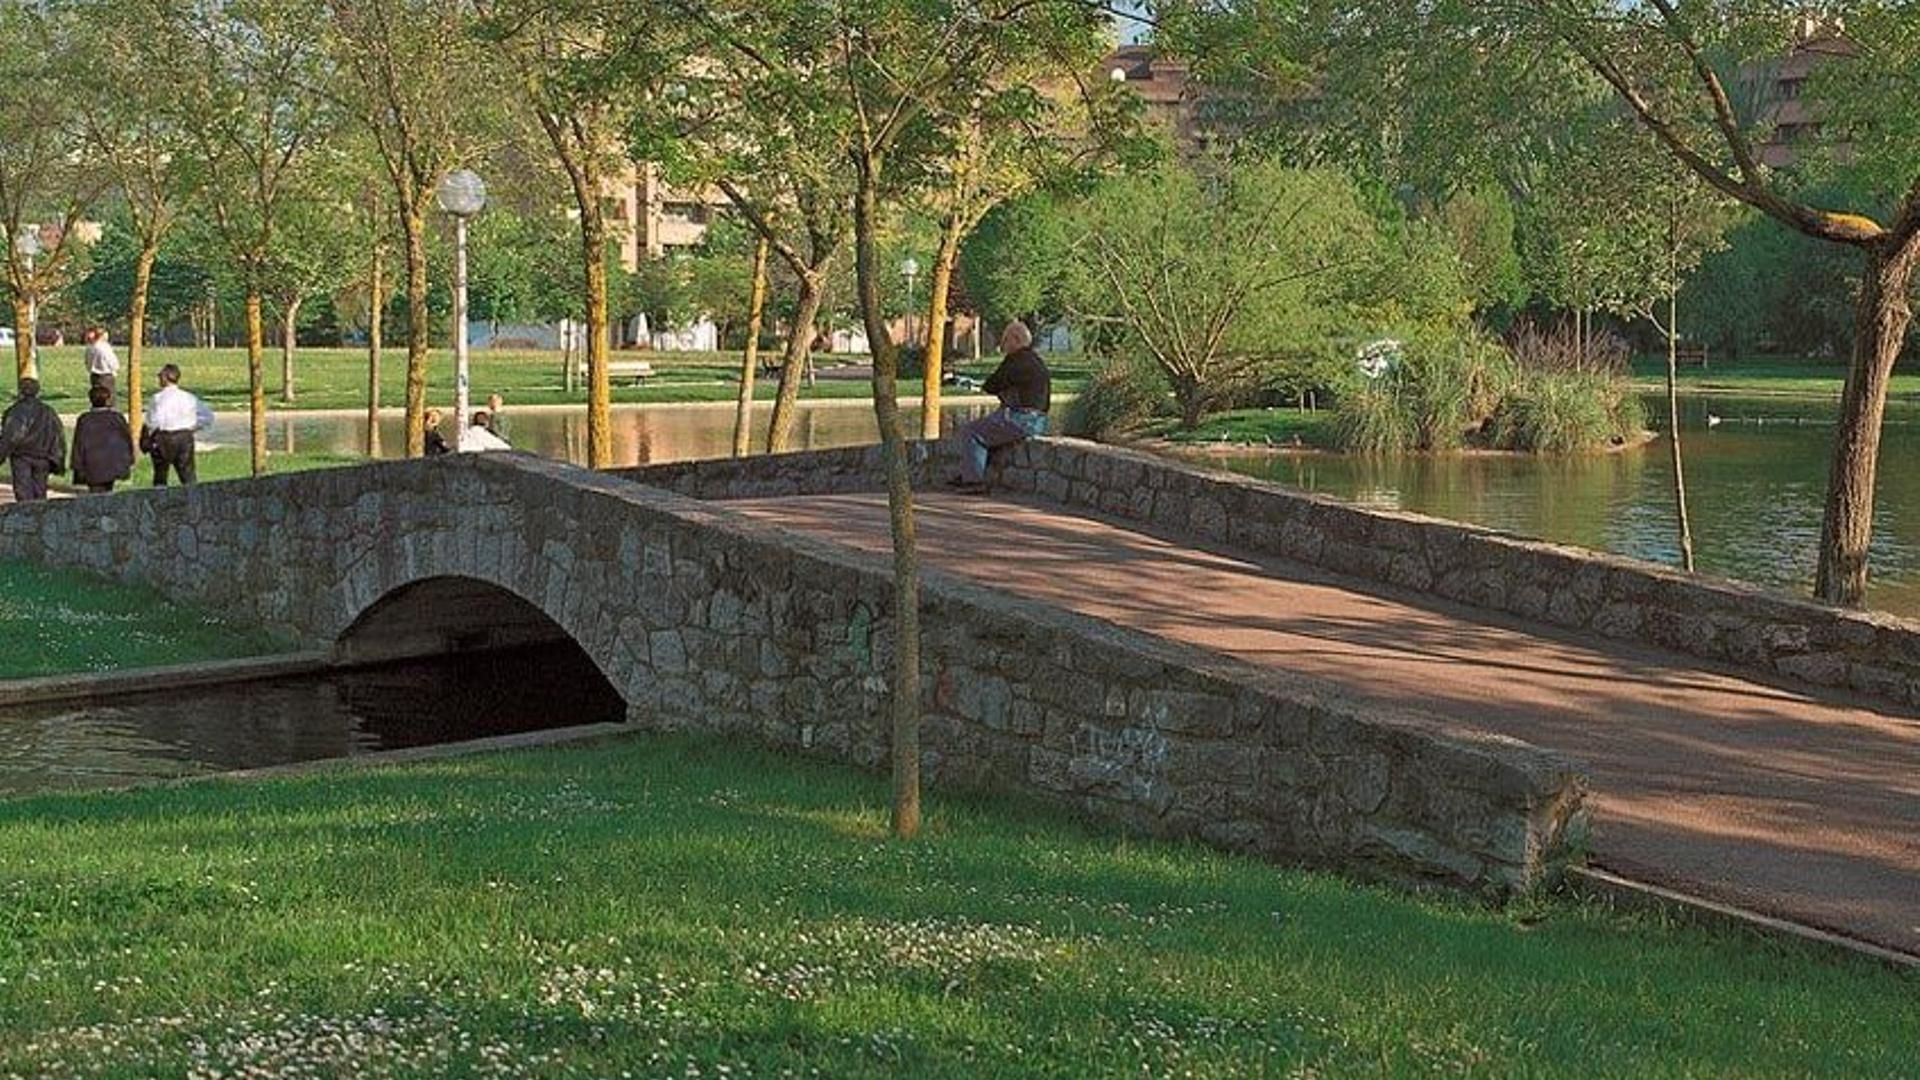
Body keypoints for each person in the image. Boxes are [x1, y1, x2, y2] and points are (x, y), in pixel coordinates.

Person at [948, 321, 1050, 494]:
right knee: (990, 431)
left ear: (1016, 340)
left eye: (1005, 340)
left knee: (972, 432)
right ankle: (972, 472)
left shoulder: (1016, 360)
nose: (1002, 345)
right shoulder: (1035, 360)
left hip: (1021, 419)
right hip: (1039, 420)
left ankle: (974, 481)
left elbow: (992, 384)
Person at [145, 363, 213, 487]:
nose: (159, 378)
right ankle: (193, 501)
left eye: (160, 375)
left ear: (166, 378)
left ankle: (160, 501)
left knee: (160, 475)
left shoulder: (157, 398)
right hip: (184, 437)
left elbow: (152, 421)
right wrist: (192, 427)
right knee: (188, 475)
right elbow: (208, 416)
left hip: (163, 437)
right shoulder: (189, 398)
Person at [0, 377, 66, 501]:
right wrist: (57, 458)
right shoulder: (48, 411)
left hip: (22, 457)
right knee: (40, 492)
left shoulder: (14, 412)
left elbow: (10, 437)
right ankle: (40, 517)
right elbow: (57, 435)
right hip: (42, 457)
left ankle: (27, 518)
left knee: (23, 494)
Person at [70, 383, 134, 493]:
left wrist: (77, 465)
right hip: (112, 463)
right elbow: (127, 440)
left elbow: (78, 444)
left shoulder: (84, 420)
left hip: (92, 465)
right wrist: (129, 459)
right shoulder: (117, 417)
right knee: (108, 491)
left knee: (96, 494)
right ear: (107, 400)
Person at [83, 327, 120, 397]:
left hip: (94, 376)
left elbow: (87, 363)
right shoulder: (104, 348)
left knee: (96, 397)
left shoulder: (90, 347)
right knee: (108, 398)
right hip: (106, 377)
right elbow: (113, 363)